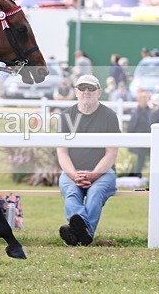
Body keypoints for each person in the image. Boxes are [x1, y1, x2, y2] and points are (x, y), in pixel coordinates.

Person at [57, 74, 120, 246]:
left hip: (103, 173)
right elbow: (62, 153)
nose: (86, 92)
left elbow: (111, 153)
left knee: (95, 192)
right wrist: (74, 175)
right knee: (71, 192)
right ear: (75, 92)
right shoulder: (65, 116)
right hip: (71, 171)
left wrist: (92, 176)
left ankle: (77, 231)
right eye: (82, 88)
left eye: (91, 88)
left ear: (99, 92)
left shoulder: (109, 116)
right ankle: (85, 233)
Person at [126, 90, 151, 178]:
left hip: (148, 138)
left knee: (143, 158)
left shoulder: (149, 111)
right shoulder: (137, 113)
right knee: (141, 157)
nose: (145, 101)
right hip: (140, 139)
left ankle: (137, 174)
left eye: (146, 99)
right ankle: (136, 175)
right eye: (143, 100)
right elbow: (131, 127)